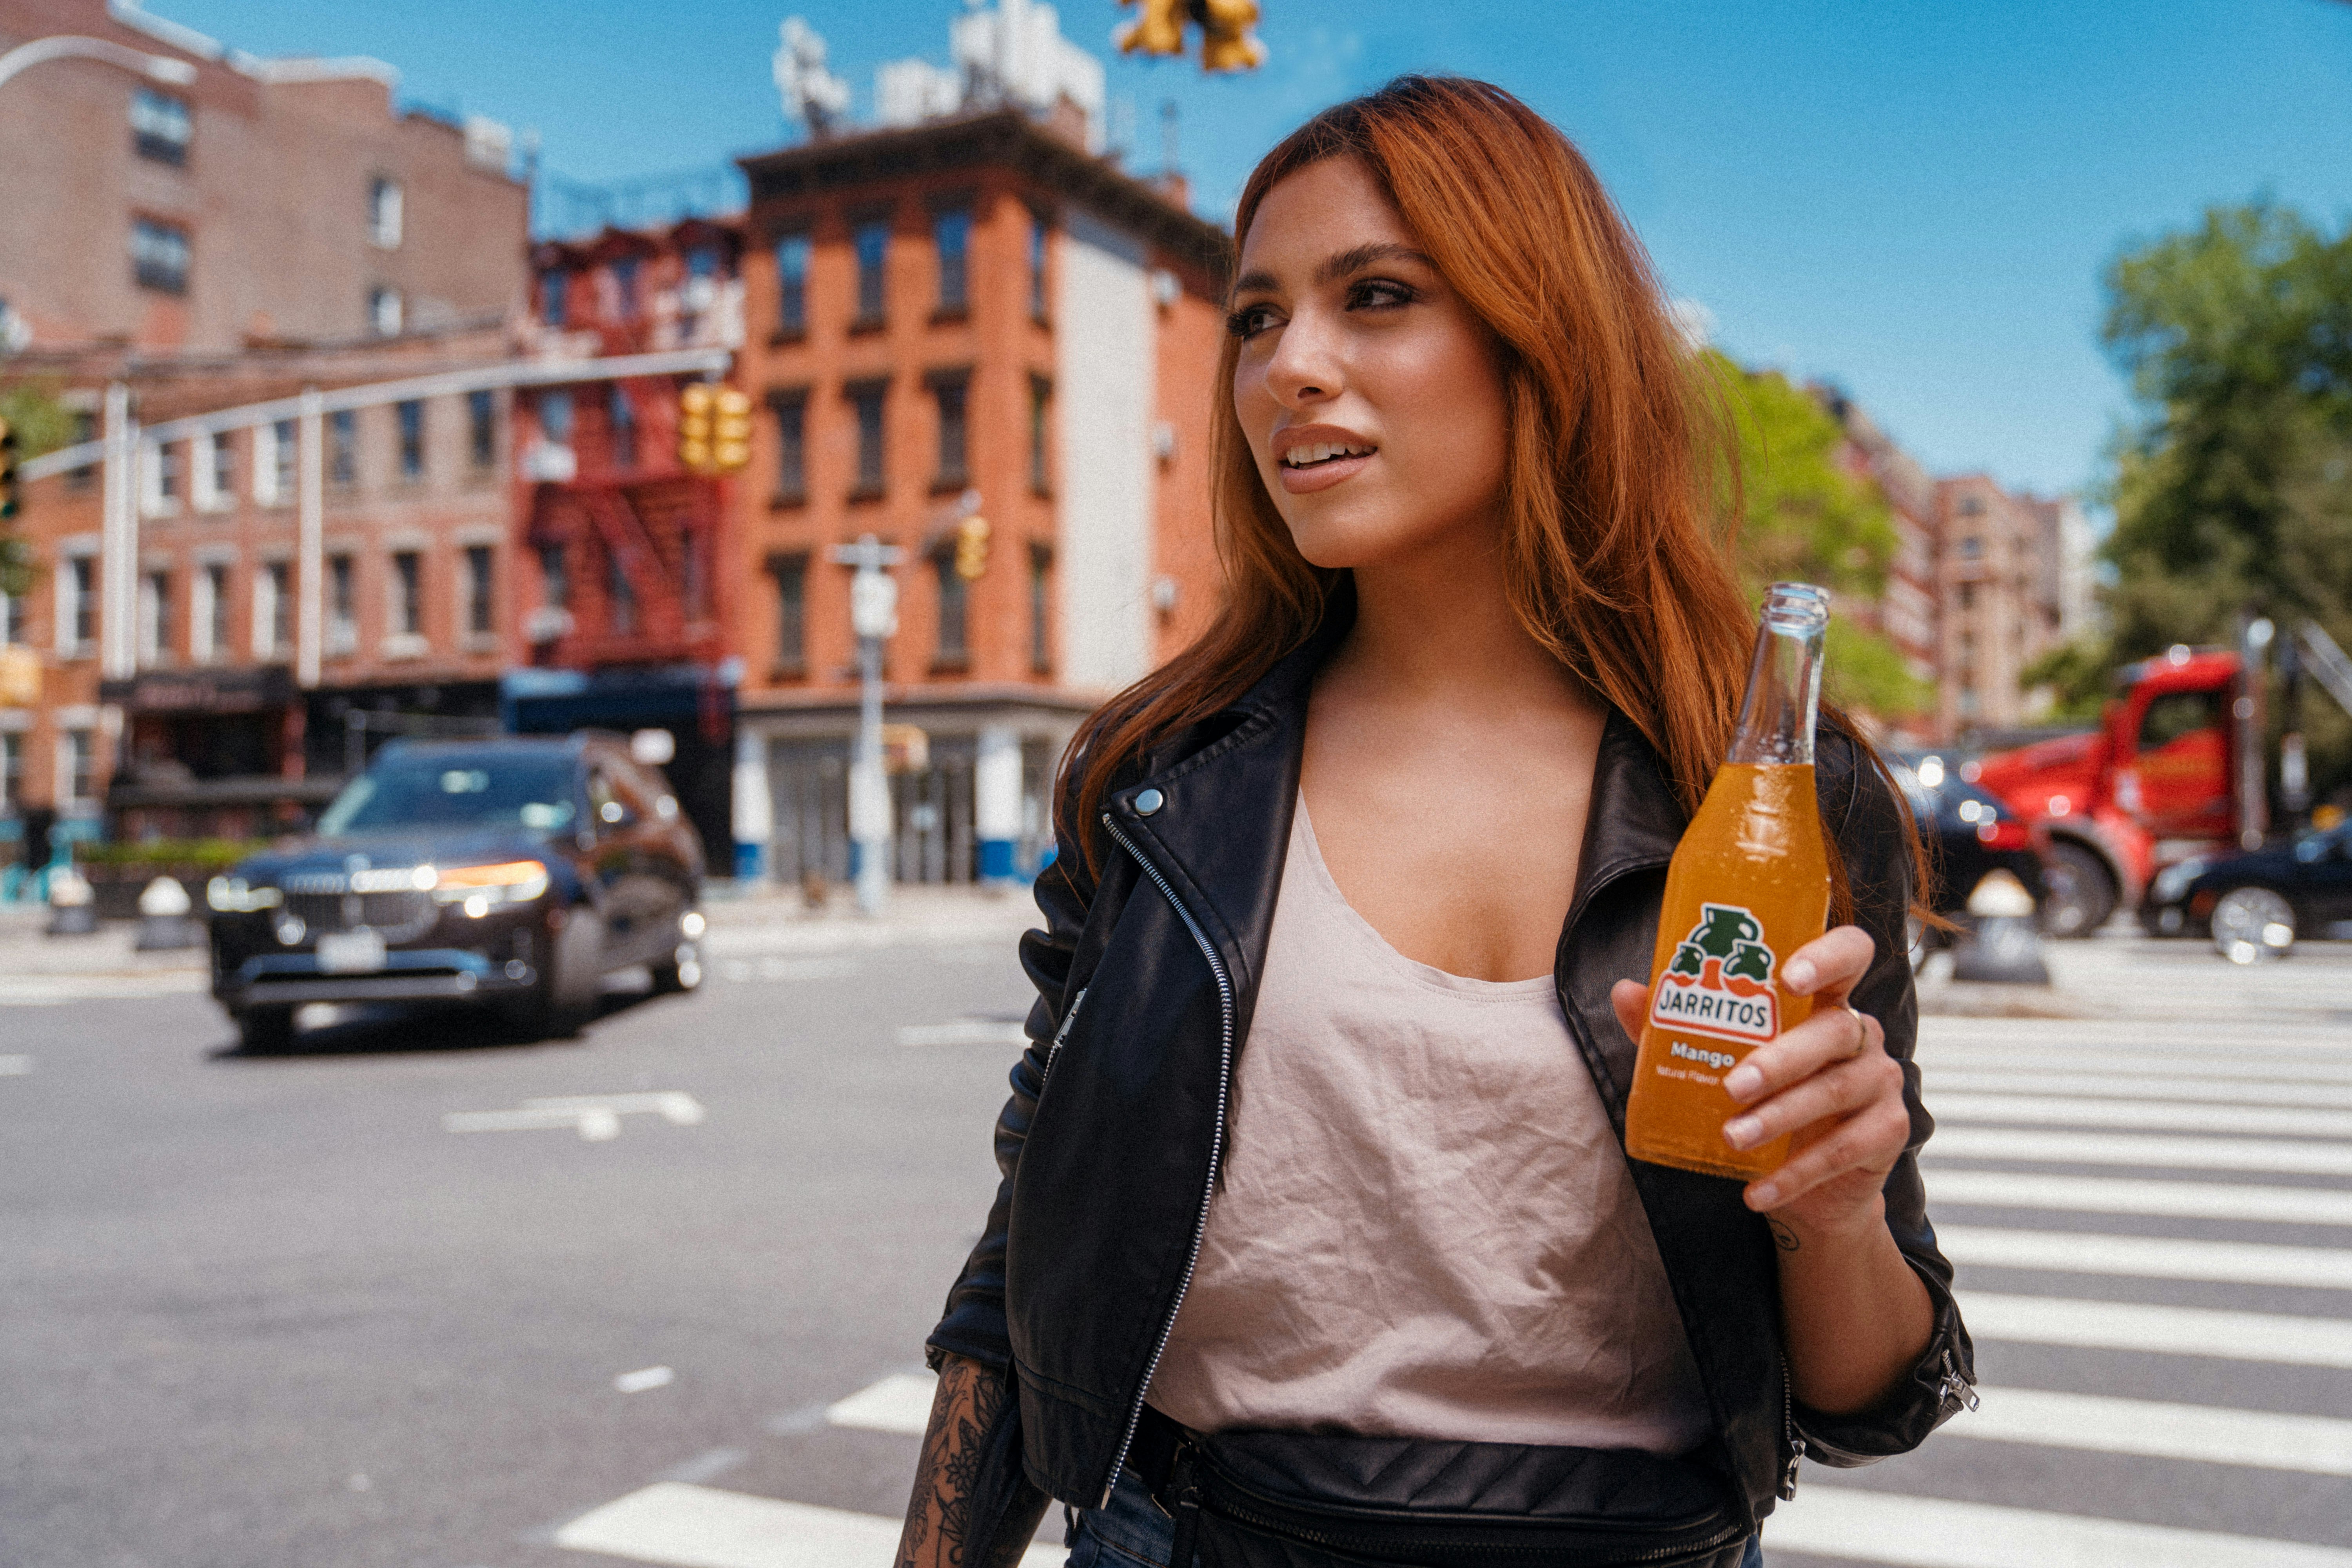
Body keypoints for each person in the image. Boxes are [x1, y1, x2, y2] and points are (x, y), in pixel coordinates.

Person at [897, 76, 1973, 1568]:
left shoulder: (1776, 806)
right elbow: (1032, 1261)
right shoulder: (1160, 780)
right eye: (1257, 317)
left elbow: (1871, 1392)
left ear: (1541, 341)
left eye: (1377, 296)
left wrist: (1836, 1206)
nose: (1292, 369)